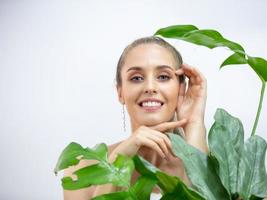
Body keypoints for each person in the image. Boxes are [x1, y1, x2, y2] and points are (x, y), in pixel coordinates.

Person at [63, 36, 208, 200]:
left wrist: (195, 124)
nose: (150, 87)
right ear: (120, 92)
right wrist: (117, 161)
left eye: (163, 77)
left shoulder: (224, 168)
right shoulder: (84, 168)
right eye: (137, 78)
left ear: (181, 88)